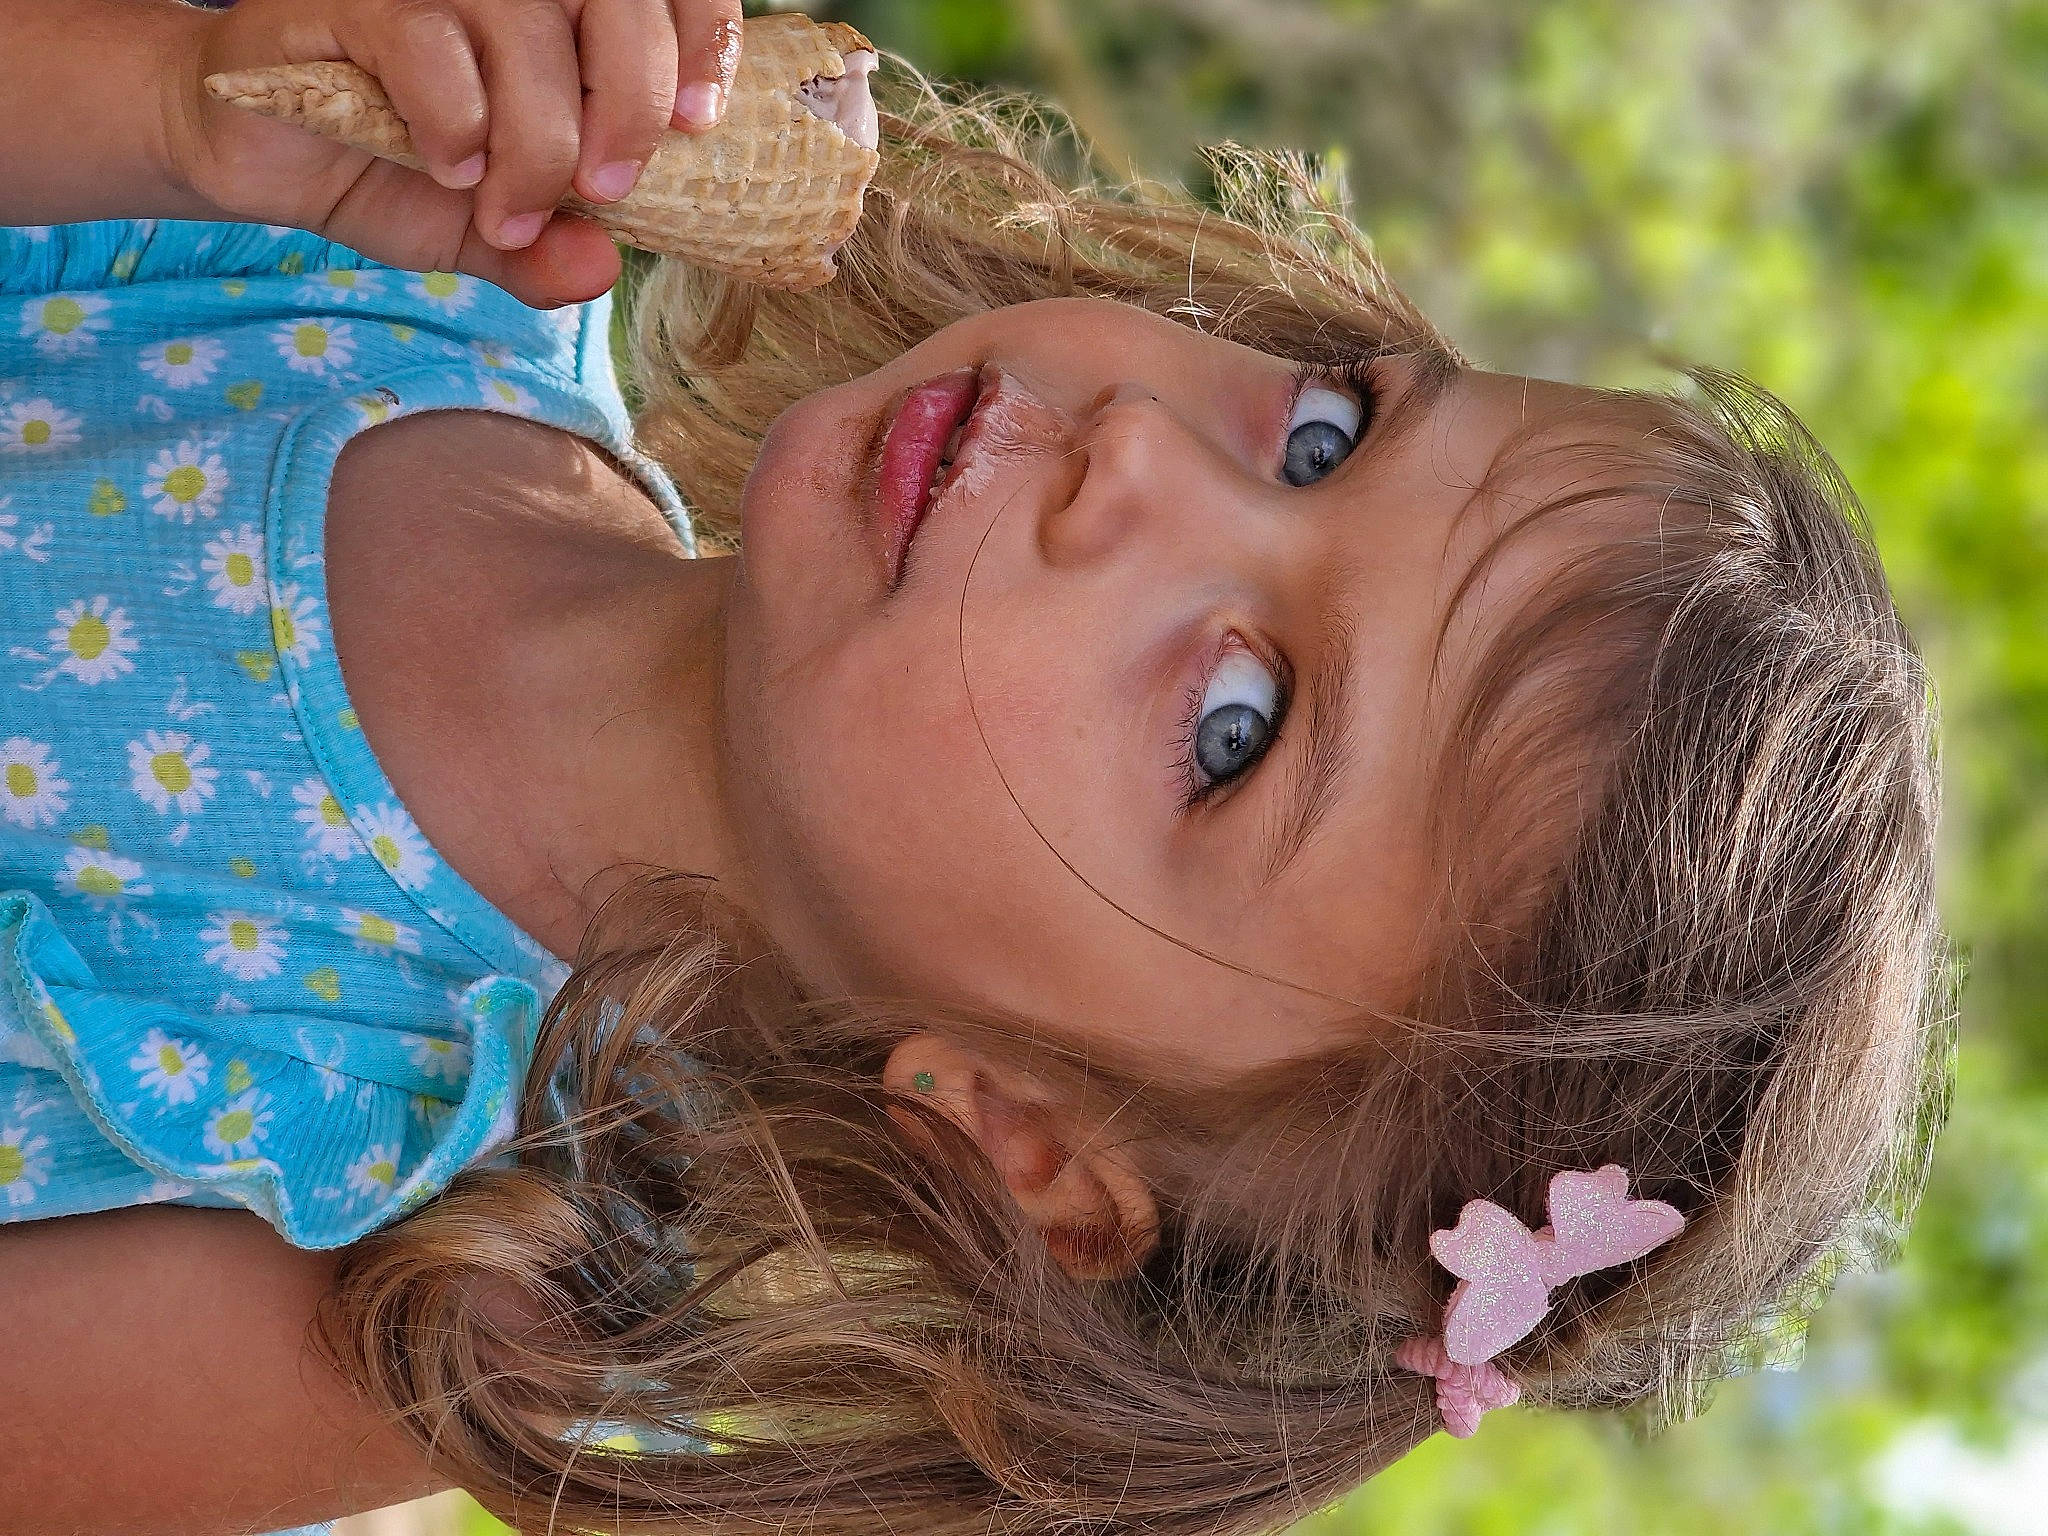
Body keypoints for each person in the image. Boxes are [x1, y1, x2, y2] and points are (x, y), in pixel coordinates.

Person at [0, 1, 1952, 1533]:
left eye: (1238, 729)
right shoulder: (391, 267)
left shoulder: (436, 1267)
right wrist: (174, 100)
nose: (1139, 461)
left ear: (1029, 1139)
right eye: (1324, 443)